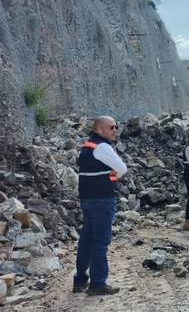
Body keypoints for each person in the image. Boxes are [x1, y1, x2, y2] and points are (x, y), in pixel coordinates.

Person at [73, 116, 128, 296]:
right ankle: (98, 283)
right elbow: (122, 169)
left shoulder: (88, 146)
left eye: (116, 127)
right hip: (102, 199)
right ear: (99, 130)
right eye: (111, 127)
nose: (115, 130)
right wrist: (113, 174)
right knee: (101, 242)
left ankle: (80, 280)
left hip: (88, 199)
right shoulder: (103, 147)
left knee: (87, 240)